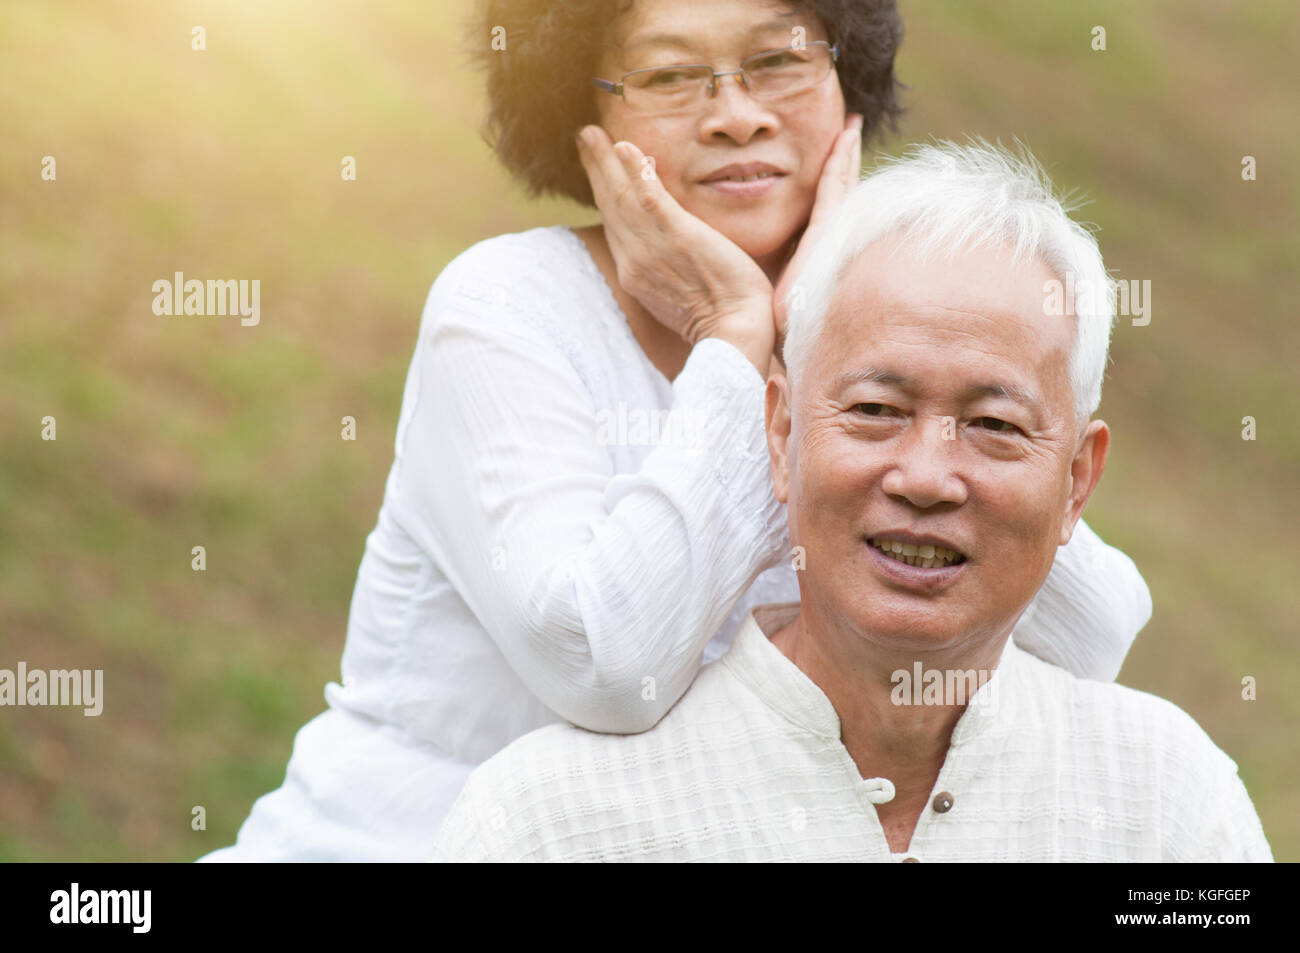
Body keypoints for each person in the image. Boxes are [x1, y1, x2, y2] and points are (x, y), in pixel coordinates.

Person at [202, 0, 1150, 862]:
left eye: (778, 61)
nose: (736, 113)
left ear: (845, 78)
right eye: (666, 75)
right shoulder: (505, 311)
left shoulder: (869, 347)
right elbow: (607, 668)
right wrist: (738, 343)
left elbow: (1086, 640)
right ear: (584, 120)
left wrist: (812, 320)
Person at [430, 141, 1272, 863]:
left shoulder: (1166, 808)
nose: (925, 476)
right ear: (779, 432)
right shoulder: (553, 825)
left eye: (993, 423)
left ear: (1077, 482)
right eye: (875, 410)